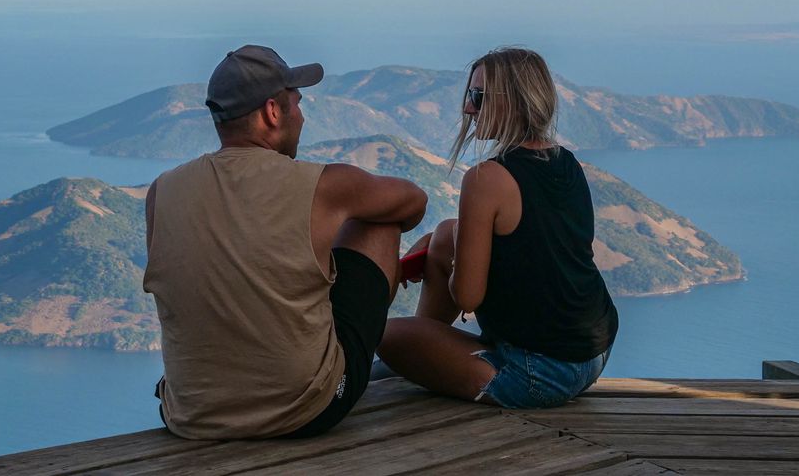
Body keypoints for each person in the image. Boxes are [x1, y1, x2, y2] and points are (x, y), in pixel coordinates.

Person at [142, 45, 428, 439]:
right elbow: (413, 204)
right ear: (273, 112)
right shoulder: (324, 185)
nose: (302, 115)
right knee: (379, 223)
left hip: (192, 414)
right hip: (305, 410)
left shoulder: (162, 191)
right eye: (298, 102)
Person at [377, 47, 618, 408]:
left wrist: (458, 253)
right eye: (468, 96)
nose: (468, 108)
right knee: (445, 232)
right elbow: (534, 239)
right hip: (595, 354)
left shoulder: (486, 178)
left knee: (384, 334)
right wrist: (446, 239)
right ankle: (425, 348)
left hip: (542, 373)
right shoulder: (565, 161)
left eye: (478, 97)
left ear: (515, 102)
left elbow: (468, 298)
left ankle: (418, 352)